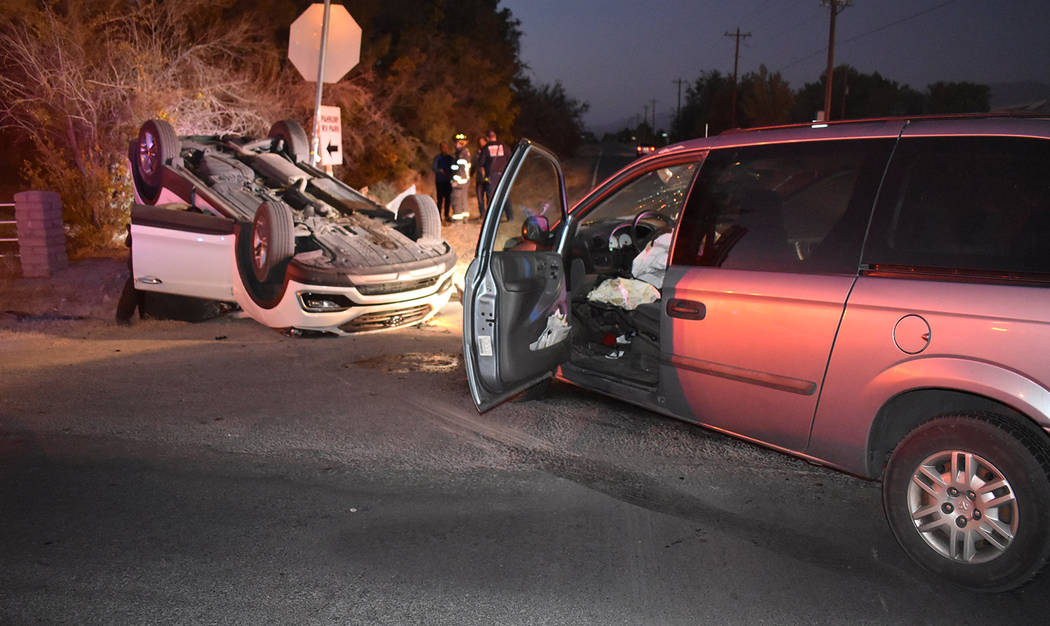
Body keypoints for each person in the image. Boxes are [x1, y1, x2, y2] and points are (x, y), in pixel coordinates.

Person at [480, 130, 509, 218]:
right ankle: (509, 216)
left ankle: (492, 217)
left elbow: (481, 163)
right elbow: (509, 158)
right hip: (503, 175)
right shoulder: (503, 146)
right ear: (495, 136)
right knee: (504, 194)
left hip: (491, 176)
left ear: (488, 138)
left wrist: (484, 177)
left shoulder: (486, 148)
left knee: (491, 196)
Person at [450, 133, 471, 221]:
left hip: (460, 181)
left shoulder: (462, 153)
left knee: (456, 199)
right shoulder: (465, 152)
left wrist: (456, 181)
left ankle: (458, 219)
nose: (456, 144)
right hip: (465, 181)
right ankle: (464, 218)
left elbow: (461, 169)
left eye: (457, 142)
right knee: (463, 199)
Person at [432, 142, 454, 222]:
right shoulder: (437, 158)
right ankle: (439, 216)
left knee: (448, 199)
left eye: (445, 147)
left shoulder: (450, 158)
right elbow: (434, 168)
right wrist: (439, 170)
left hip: (448, 181)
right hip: (440, 181)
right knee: (440, 200)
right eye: (442, 147)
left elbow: (454, 168)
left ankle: (447, 215)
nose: (444, 149)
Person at [472, 136, 488, 218]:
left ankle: (489, 215)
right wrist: (471, 174)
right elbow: (474, 165)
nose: (480, 144)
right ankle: (482, 214)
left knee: (489, 197)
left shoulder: (488, 152)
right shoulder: (477, 153)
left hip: (487, 179)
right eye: (479, 142)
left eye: (482, 142)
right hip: (479, 179)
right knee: (480, 198)